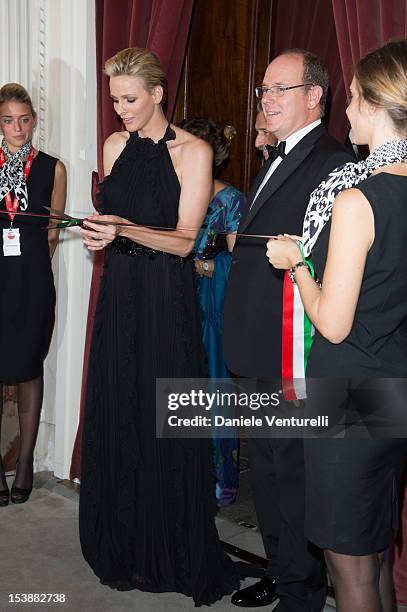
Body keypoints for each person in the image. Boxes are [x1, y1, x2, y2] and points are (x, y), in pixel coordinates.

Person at [78, 48, 239, 606]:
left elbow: (185, 239)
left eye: (129, 98)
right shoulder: (114, 146)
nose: (120, 110)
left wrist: (124, 227)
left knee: (160, 414)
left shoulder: (192, 152)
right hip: (120, 293)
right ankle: (122, 538)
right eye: (114, 99)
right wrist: (101, 233)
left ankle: (167, 544)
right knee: (120, 406)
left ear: (158, 94)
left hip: (164, 300)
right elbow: (114, 224)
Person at [266, 39, 407, 612]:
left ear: (377, 104)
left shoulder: (358, 200)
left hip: (349, 394)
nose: (346, 112)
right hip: (394, 389)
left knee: (348, 570)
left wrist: (297, 263)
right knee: (371, 552)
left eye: (352, 99)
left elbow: (332, 323)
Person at [223, 50, 354, 611]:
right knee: (270, 475)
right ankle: (281, 572)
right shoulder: (278, 157)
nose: (266, 100)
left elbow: (325, 257)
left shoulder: (333, 162)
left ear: (314, 96)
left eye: (280, 89)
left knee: (292, 475)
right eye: (264, 91)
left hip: (292, 348)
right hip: (255, 342)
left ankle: (301, 594)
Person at [0, 83, 66, 507]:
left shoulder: (53, 168)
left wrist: (30, 268)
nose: (18, 127)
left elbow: (54, 232)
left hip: (32, 280)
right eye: (8, 120)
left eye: (25, 119)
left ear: (34, 121)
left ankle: (24, 463)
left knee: (29, 365)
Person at [179, 117, 246, 507]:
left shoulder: (231, 201)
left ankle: (219, 480)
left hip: (211, 305)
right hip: (175, 299)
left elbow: (241, 266)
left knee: (213, 389)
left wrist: (205, 267)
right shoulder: (173, 194)